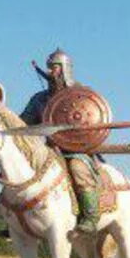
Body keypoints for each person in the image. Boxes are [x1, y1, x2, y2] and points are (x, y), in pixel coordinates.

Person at [21, 48, 102, 235]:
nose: (50, 71)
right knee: (20, 170)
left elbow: (93, 120)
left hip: (75, 149)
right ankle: (17, 218)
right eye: (49, 67)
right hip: (49, 149)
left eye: (55, 67)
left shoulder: (80, 94)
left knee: (77, 169)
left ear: (65, 69)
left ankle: (90, 217)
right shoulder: (39, 99)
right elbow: (24, 122)